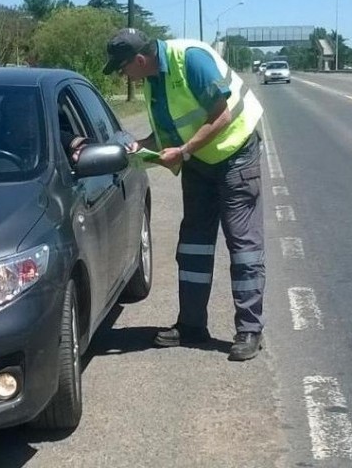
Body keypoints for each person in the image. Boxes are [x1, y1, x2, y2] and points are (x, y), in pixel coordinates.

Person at [103, 28, 267, 361]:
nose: (123, 76)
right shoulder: (152, 80)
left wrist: (185, 150)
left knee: (243, 246)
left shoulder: (190, 59)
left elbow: (222, 112)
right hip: (198, 162)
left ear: (139, 59)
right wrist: (142, 147)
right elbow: (168, 133)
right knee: (193, 244)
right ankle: (191, 325)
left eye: (123, 68)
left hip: (236, 154)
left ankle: (249, 330)